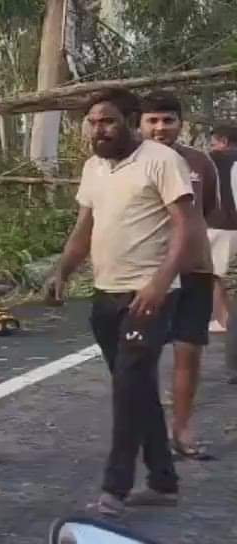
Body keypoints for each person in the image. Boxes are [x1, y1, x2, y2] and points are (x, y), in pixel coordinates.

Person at [44, 88, 193, 517]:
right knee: (137, 388)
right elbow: (84, 228)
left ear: (130, 120)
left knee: (128, 388)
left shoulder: (163, 162)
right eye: (93, 122)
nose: (98, 130)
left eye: (107, 121)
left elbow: (187, 227)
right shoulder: (94, 168)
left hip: (149, 296)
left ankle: (116, 487)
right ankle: (164, 481)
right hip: (106, 294)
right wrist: (61, 272)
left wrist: (160, 283)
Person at [138, 91, 218, 460]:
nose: (160, 127)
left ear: (180, 123)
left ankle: (182, 430)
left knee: (188, 352)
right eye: (152, 120)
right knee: (141, 357)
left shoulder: (200, 162)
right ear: (139, 123)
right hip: (147, 273)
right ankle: (144, 432)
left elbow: (207, 210)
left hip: (194, 273)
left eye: (168, 120)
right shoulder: (128, 162)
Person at [206, 124, 237, 385]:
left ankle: (223, 320)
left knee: (217, 276)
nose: (212, 145)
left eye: (214, 140)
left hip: (219, 225)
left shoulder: (212, 160)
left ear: (224, 140)